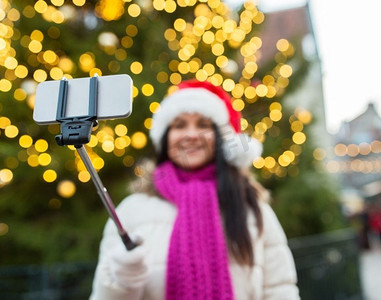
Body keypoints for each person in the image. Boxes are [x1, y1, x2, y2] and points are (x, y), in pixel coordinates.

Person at [90, 80, 300, 299]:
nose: (191, 135)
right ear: (166, 137)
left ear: (220, 138)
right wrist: (120, 280)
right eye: (179, 125)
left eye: (203, 125)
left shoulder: (252, 209)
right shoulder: (132, 212)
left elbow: (280, 290)